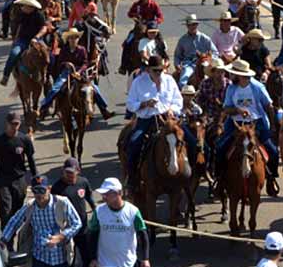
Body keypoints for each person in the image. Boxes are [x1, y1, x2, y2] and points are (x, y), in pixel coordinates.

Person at [216, 59, 279, 196]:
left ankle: (272, 177)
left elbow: (268, 106)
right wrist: (237, 110)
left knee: (273, 151)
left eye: (233, 73)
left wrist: (272, 125)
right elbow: (226, 108)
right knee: (220, 148)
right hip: (236, 124)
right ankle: (220, 179)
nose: (231, 75)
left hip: (256, 123)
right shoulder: (231, 88)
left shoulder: (257, 87)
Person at [124, 55, 183, 189]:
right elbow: (130, 104)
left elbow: (178, 100)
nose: (158, 73)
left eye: (160, 70)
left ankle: (190, 177)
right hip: (147, 119)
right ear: (148, 70)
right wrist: (144, 104)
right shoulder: (138, 82)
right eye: (155, 70)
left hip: (167, 118)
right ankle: (132, 178)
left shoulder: (169, 80)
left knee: (190, 140)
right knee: (134, 142)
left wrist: (172, 109)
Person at [38, 29, 114, 120]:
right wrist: (66, 64)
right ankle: (44, 107)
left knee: (94, 88)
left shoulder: (82, 50)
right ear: (68, 39)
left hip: (80, 73)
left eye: (75, 38)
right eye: (71, 38)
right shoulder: (64, 50)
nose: (73, 40)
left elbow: (85, 63)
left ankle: (104, 110)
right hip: (67, 72)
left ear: (78, 39)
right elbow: (60, 62)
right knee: (56, 88)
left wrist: (79, 71)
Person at [53, 158, 95, 267]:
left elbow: (90, 198)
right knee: (69, 263)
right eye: (67, 172)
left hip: (83, 230)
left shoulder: (83, 182)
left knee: (89, 262)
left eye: (72, 172)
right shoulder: (57, 188)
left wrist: (96, 211)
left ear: (78, 171)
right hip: (68, 232)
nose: (69, 175)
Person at [0, 112, 38, 226]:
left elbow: (31, 161)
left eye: (17, 124)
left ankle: (13, 231)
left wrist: (37, 179)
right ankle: (5, 234)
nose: (15, 127)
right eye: (12, 124)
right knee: (6, 209)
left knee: (17, 211)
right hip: (3, 180)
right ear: (7, 123)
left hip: (19, 180)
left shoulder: (24, 140)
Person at [0, 0, 52, 87]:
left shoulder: (39, 15)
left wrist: (36, 37)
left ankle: (49, 76)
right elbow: (18, 27)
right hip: (23, 40)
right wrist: (15, 39)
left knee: (49, 56)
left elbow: (44, 28)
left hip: (37, 40)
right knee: (14, 53)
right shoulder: (21, 14)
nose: (22, 7)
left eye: (24, 5)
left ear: (30, 6)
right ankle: (6, 75)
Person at [173, 15, 218, 87]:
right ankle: (183, 91)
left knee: (211, 79)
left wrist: (210, 60)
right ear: (187, 26)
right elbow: (177, 55)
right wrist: (177, 64)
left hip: (204, 63)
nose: (192, 27)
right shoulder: (182, 40)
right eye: (190, 25)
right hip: (189, 63)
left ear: (197, 25)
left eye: (194, 24)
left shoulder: (204, 38)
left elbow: (215, 52)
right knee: (183, 81)